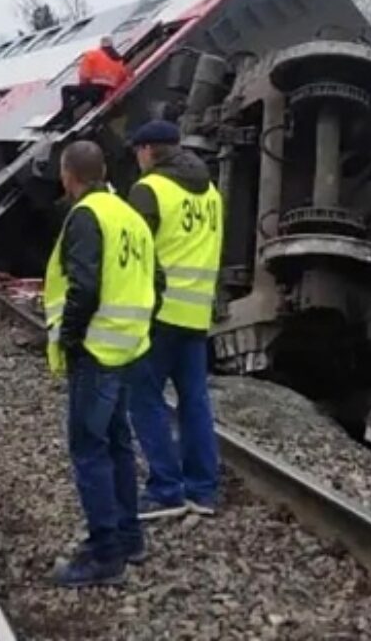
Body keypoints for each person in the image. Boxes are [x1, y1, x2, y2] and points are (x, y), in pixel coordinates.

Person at [43, 140, 155, 587]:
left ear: (68, 175)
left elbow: (83, 286)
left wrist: (70, 337)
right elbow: (156, 280)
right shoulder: (129, 215)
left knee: (89, 450)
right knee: (118, 443)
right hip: (127, 346)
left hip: (95, 350)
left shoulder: (87, 216)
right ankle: (130, 537)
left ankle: (104, 553)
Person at [126, 120, 224, 519]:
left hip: (158, 313)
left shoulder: (149, 189)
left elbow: (132, 254)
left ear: (148, 150)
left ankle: (165, 489)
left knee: (143, 398)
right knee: (194, 401)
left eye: (137, 152)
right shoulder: (212, 193)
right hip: (196, 313)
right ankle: (203, 490)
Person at [52, 36, 132, 130]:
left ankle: (68, 120)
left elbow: (84, 75)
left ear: (101, 45)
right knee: (90, 105)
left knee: (65, 89)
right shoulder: (118, 61)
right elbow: (123, 77)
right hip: (103, 93)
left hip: (92, 89)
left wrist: (82, 87)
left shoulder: (92, 54)